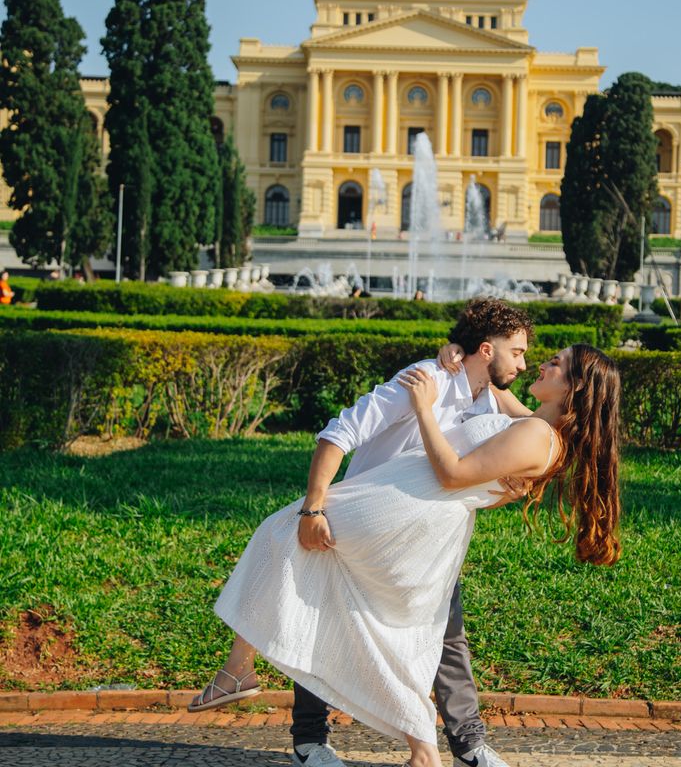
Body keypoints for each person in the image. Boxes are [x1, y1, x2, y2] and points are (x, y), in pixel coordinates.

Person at [192, 325, 622, 767]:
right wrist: (455, 350)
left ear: (574, 386)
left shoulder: (535, 435)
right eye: (529, 354)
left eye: (556, 363)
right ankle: (418, 749)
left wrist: (423, 408)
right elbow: (494, 393)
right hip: (410, 512)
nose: (540, 363)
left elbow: (453, 474)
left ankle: (243, 672)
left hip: (402, 511)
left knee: (286, 540)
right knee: (389, 625)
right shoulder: (533, 422)